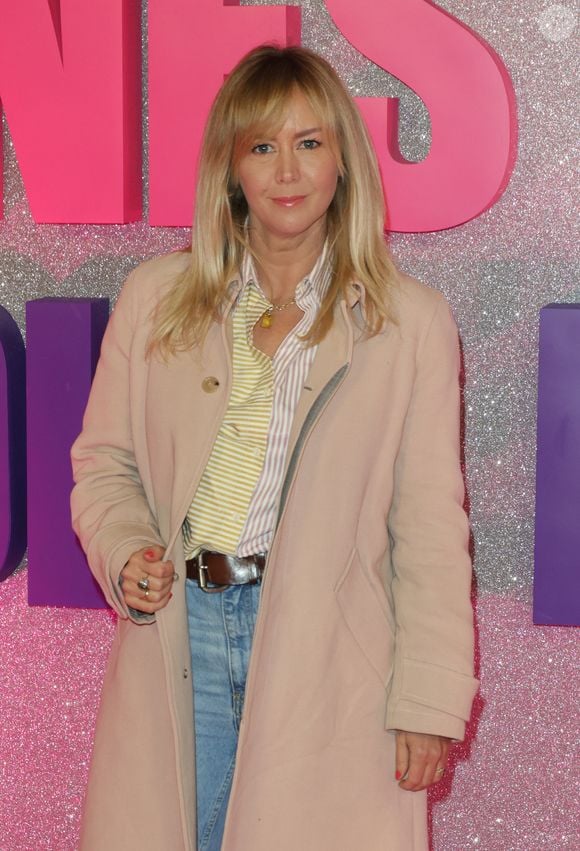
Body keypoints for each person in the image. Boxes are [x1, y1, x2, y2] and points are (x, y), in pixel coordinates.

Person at [71, 44, 478, 851]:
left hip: (330, 661)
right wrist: (125, 548)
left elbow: (430, 529)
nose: (287, 171)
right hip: (179, 636)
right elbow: (104, 462)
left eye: (309, 142)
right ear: (231, 167)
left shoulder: (412, 324)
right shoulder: (155, 299)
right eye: (262, 145)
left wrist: (429, 700)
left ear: (343, 160)